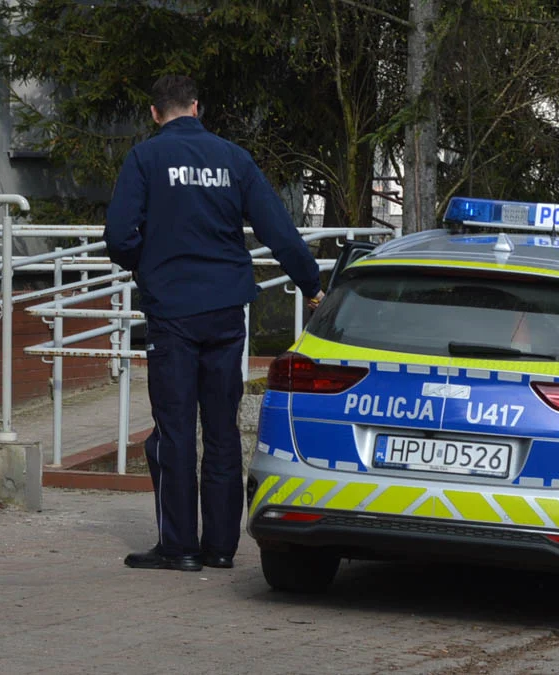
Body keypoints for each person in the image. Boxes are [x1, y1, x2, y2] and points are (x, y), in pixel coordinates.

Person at [105, 74, 324, 572]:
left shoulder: (145, 158)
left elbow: (118, 235)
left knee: (175, 429)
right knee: (222, 429)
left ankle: (179, 546)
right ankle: (222, 546)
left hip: (173, 311)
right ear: (197, 107)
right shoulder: (233, 158)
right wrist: (311, 284)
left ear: (155, 114)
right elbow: (278, 229)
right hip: (228, 311)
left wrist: (149, 262)